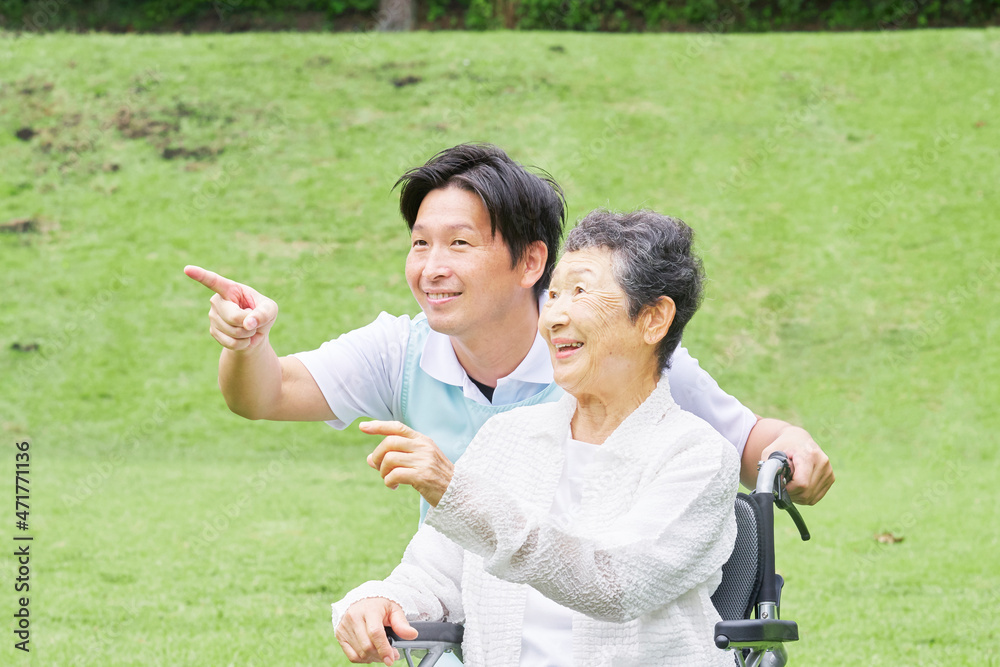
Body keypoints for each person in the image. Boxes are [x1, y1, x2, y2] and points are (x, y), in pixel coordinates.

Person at [183, 143, 833, 508]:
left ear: (530, 261)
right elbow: (261, 394)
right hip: (465, 618)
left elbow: (754, 444)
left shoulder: (614, 355)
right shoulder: (401, 350)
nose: (432, 267)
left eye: (460, 244)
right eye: (420, 244)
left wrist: (795, 448)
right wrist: (249, 341)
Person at [334, 210, 740, 666]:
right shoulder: (508, 437)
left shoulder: (697, 456)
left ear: (652, 319)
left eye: (580, 292)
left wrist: (458, 494)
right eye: (554, 294)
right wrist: (380, 600)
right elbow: (434, 575)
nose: (553, 317)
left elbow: (616, 584)